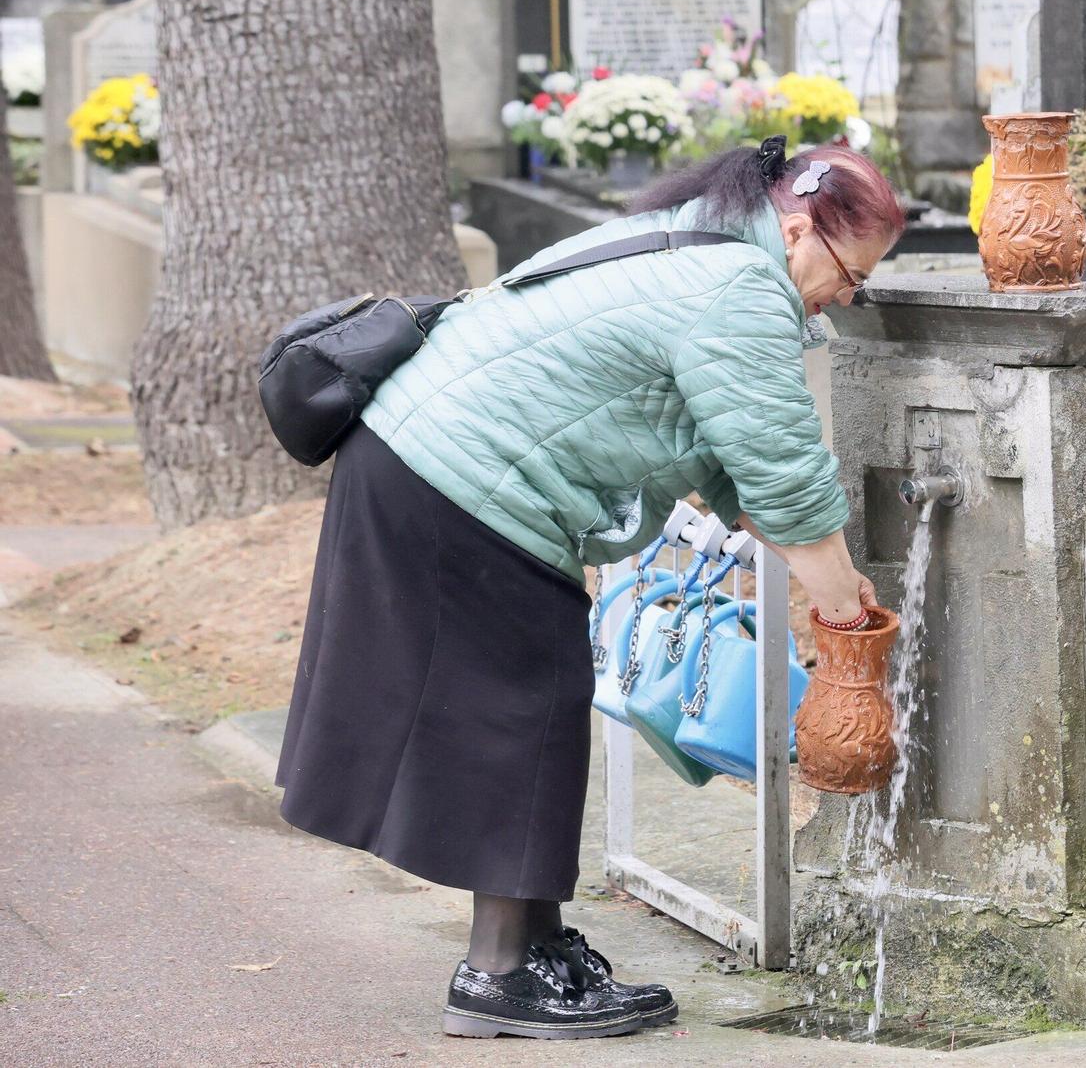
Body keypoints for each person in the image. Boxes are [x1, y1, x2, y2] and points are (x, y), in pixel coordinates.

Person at [274, 137, 904, 1040]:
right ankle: (497, 974)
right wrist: (845, 610)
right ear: (797, 227)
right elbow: (784, 476)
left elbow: (731, 449)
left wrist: (803, 551)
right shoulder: (738, 288)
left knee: (542, 698)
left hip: (420, 454)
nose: (848, 295)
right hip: (458, 475)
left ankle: (537, 942)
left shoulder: (693, 239)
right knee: (518, 708)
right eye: (851, 273)